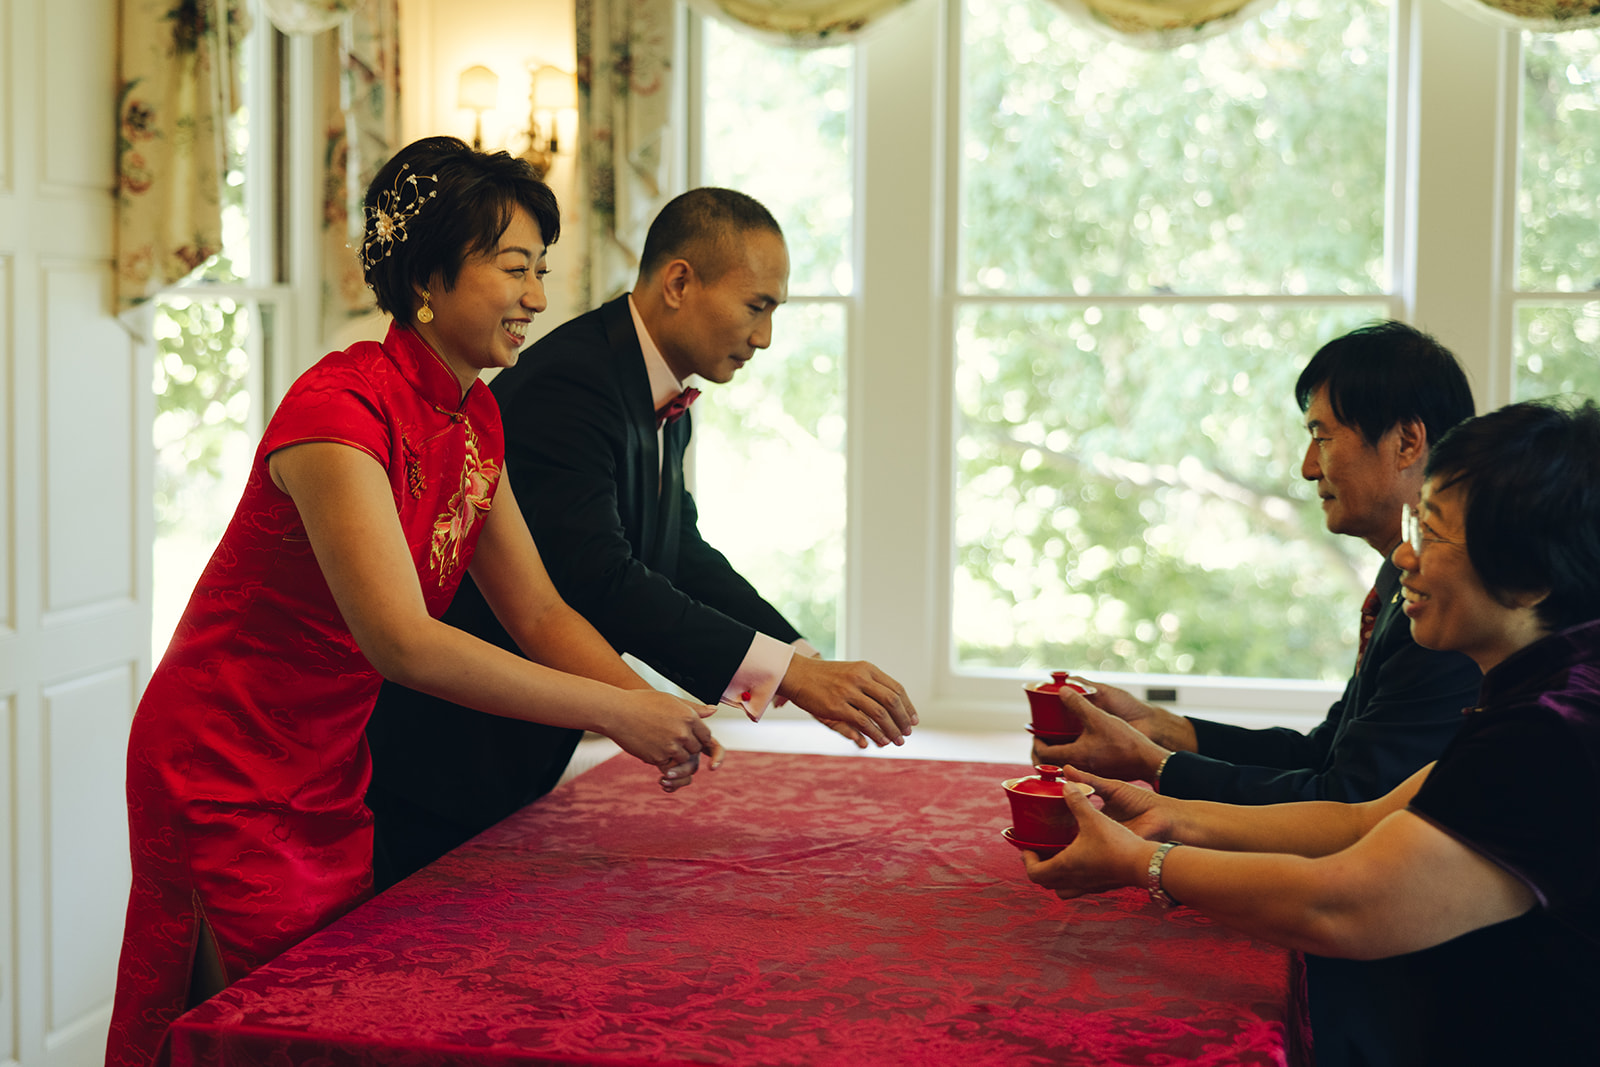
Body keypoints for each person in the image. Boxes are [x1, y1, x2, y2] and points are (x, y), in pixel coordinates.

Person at [106, 137, 722, 1067]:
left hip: (327, 764)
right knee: (245, 1031)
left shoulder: (476, 419)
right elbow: (403, 643)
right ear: (431, 275)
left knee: (326, 1014)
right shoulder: (339, 410)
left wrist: (652, 708)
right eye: (515, 268)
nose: (540, 298)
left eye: (543, 270)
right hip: (221, 758)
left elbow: (541, 613)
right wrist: (616, 711)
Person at [365, 187, 918, 886]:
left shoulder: (658, 389)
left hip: (522, 748)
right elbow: (597, 575)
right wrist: (788, 675)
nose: (766, 337)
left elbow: (678, 550)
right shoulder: (572, 382)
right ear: (680, 281)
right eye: (759, 306)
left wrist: (798, 660)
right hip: (442, 751)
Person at [1023, 397, 1600, 1065]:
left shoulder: (1556, 730)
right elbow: (1363, 820)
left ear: (1529, 576)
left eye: (1435, 533)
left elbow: (1346, 905)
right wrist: (1171, 817)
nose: (1406, 555)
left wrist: (1139, 863)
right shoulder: (1550, 689)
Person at [1033, 321, 1480, 804]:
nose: (1308, 467)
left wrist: (1151, 763)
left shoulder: (1449, 603)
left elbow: (1348, 799)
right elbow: (1325, 753)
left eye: (1322, 437)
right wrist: (1161, 728)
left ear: (1407, 442)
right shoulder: (1400, 577)